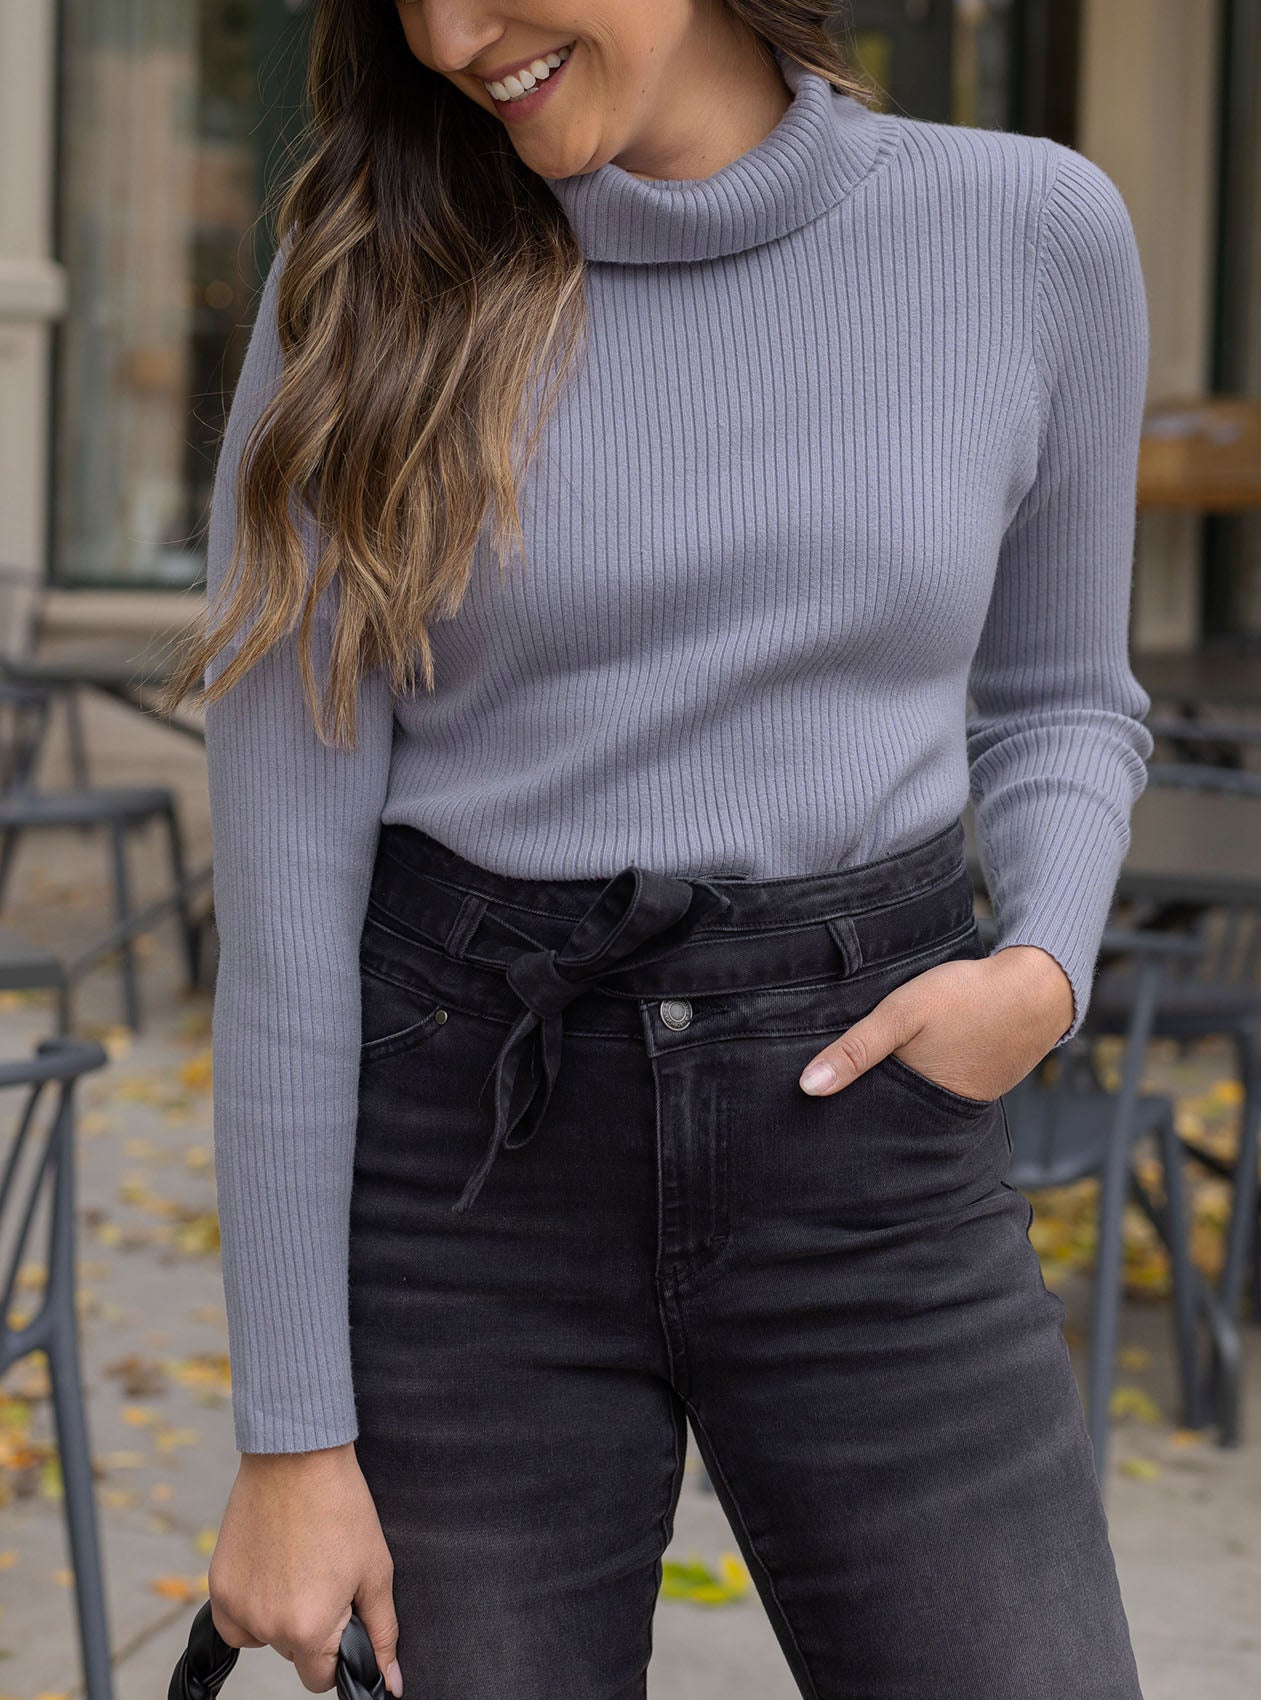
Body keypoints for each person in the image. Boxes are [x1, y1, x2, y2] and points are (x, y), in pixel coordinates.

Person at [161, 2, 1155, 1695]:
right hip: (464, 1176)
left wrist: (1040, 972)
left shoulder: (1031, 232)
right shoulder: (367, 278)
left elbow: (1064, 698)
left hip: (874, 1149)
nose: (453, 33)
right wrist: (290, 1442)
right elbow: (284, 908)